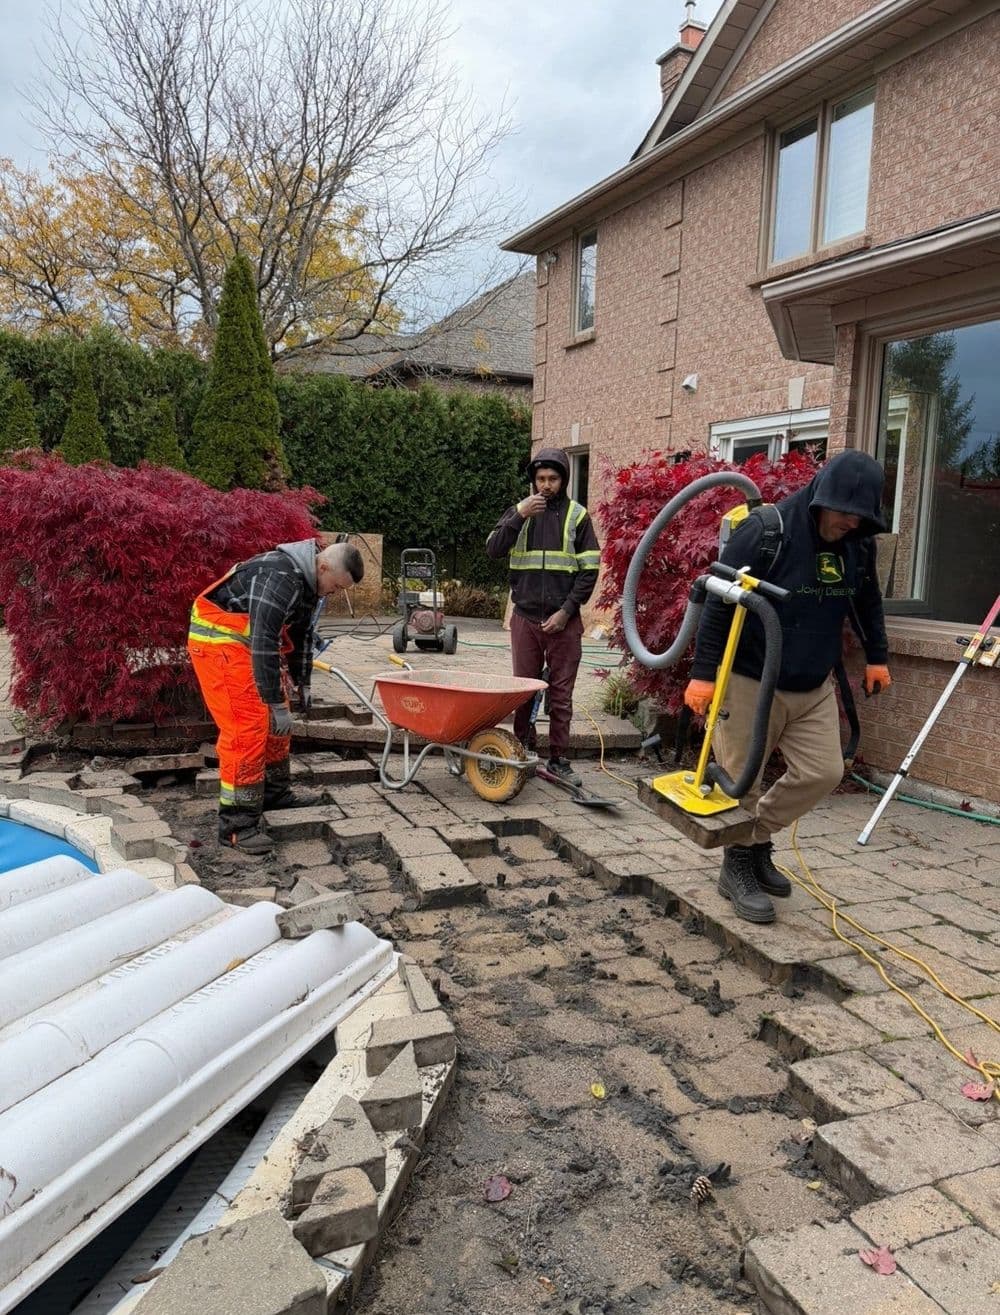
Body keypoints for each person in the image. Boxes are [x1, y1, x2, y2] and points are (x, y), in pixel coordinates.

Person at [685, 450, 892, 924]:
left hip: (812, 680)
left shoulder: (858, 542)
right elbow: (718, 602)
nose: (850, 525)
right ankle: (737, 863)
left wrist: (877, 655)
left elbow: (866, 600)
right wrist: (703, 673)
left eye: (861, 518)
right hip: (749, 678)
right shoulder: (766, 531)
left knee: (823, 772)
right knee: (742, 779)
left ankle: (753, 839)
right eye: (844, 515)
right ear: (822, 499)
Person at [188, 537, 364, 854]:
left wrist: (302, 683)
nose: (333, 593)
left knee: (278, 725)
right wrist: (272, 701)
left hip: (245, 646)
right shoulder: (279, 577)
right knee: (248, 730)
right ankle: (236, 827)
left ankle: (274, 794)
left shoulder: (309, 583)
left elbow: (301, 636)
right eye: (335, 586)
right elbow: (264, 643)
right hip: (220, 645)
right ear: (323, 566)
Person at [486, 447, 601, 784]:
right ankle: (522, 750)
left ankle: (559, 759)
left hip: (563, 621)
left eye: (552, 479)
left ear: (563, 480)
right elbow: (493, 549)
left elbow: (589, 570)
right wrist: (518, 515)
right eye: (540, 479)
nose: (546, 485)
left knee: (561, 695)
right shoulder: (519, 513)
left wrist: (566, 612)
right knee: (524, 690)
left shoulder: (577, 516)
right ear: (533, 481)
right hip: (525, 618)